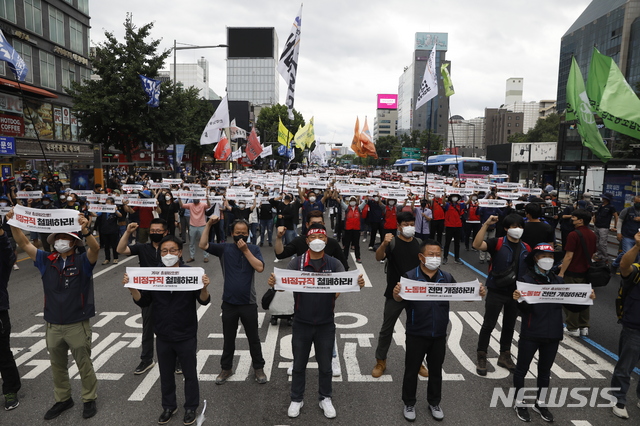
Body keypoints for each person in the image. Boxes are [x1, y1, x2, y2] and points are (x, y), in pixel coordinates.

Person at [267, 224, 365, 419]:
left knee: (326, 365)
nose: (317, 240)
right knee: (299, 365)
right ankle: (296, 398)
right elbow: (281, 286)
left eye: (321, 236)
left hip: (326, 323)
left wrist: (357, 285)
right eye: (313, 237)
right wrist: (274, 283)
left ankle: (325, 397)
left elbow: (346, 284)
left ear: (326, 240)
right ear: (307, 241)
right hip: (301, 322)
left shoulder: (334, 263)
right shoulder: (297, 263)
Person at [8, 211, 99, 420]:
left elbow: (95, 248)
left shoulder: (83, 261)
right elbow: (23, 242)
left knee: (84, 363)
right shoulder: (45, 260)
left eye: (65, 237)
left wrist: (86, 230)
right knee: (57, 366)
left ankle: (89, 398)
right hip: (52, 325)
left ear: (74, 242)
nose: (60, 241)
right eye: (57, 237)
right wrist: (14, 223)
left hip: (77, 323)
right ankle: (63, 399)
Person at [394, 239, 485, 422]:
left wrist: (478, 293)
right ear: (421, 256)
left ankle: (434, 402)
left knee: (436, 370)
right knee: (411, 370)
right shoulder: (410, 277)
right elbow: (398, 300)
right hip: (416, 333)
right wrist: (397, 293)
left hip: (439, 334)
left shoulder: (447, 277)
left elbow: (461, 295)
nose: (435, 258)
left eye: (438, 254)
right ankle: (409, 402)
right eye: (431, 254)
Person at [123, 236, 210, 426]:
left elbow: (203, 300)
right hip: (162, 333)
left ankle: (190, 407)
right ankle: (169, 406)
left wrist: (204, 288)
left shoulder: (192, 273)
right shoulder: (154, 274)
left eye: (172, 250)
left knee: (189, 373)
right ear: (159, 253)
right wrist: (132, 289)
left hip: (185, 333)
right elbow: (144, 301)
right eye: (164, 251)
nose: (168, 254)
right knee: (166, 373)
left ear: (180, 252)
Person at [512, 243, 595, 422]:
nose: (547, 260)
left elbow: (570, 305)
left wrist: (586, 299)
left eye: (550, 257)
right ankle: (519, 402)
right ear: (535, 258)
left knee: (545, 371)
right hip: (531, 332)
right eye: (543, 256)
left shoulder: (558, 281)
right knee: (521, 370)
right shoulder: (526, 280)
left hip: (553, 334)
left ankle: (540, 403)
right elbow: (523, 309)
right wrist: (519, 300)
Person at [199, 218, 267, 385]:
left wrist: (245, 251)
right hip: (229, 302)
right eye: (237, 233)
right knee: (228, 338)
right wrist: (208, 225)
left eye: (244, 233)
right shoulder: (224, 248)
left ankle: (258, 368)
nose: (241, 236)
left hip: (248, 302)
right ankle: (226, 367)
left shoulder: (253, 248)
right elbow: (203, 245)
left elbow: (259, 267)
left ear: (249, 233)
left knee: (253, 338)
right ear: (232, 234)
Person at [372, 211, 429, 378]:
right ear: (398, 227)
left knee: (417, 329)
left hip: (416, 294)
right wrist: (383, 243)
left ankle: (418, 361)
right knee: (386, 329)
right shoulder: (393, 242)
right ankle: (380, 360)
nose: (409, 227)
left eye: (412, 224)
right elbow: (378, 257)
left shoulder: (419, 242)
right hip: (395, 293)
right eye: (406, 225)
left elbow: (425, 266)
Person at [473, 213, 530, 376]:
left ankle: (505, 355)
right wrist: (486, 224)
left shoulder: (527, 247)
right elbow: (477, 245)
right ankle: (481, 355)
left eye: (520, 227)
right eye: (513, 227)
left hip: (515, 294)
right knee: (488, 324)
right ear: (506, 228)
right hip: (496, 292)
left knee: (510, 326)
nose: (517, 230)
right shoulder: (496, 243)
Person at [117, 219, 170, 375]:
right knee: (147, 329)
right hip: (147, 295)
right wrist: (128, 232)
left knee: (171, 328)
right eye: (152, 231)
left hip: (168, 295)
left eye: (158, 231)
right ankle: (147, 359)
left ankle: (177, 360)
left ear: (165, 232)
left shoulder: (170, 249)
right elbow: (121, 249)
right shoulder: (143, 248)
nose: (155, 233)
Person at [611, 231, 640, 419]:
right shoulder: (637, 269)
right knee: (626, 365)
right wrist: (637, 246)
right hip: (635, 326)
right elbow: (624, 266)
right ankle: (618, 399)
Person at [558, 209, 596, 337]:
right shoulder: (592, 234)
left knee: (571, 299)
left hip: (573, 271)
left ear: (581, 220)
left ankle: (572, 327)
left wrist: (562, 271)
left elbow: (569, 256)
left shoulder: (573, 235)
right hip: (587, 272)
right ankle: (584, 326)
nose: (571, 218)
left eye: (574, 217)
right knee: (584, 298)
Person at [0, 224, 19, 410]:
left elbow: (8, 255)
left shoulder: (3, 261)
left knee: (3, 354)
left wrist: (1, 233)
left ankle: (10, 390)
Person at [179, 195, 210, 263]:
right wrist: (179, 198)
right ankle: (192, 256)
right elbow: (182, 205)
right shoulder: (190, 205)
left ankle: (206, 256)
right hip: (192, 226)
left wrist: (207, 199)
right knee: (191, 243)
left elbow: (208, 206)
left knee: (204, 242)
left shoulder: (203, 204)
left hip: (202, 226)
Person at [613, 195, 640, 269]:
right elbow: (620, 221)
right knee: (626, 252)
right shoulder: (627, 210)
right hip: (628, 236)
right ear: (634, 201)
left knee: (636, 255)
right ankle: (615, 265)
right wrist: (618, 233)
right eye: (637, 202)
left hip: (638, 237)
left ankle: (632, 269)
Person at [97, 197, 122, 265]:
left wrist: (116, 210)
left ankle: (115, 258)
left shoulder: (114, 210)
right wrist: (90, 209)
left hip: (113, 230)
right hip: (104, 230)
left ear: (112, 203)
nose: (107, 203)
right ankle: (107, 259)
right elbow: (96, 214)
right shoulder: (103, 210)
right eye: (106, 202)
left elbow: (120, 215)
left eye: (109, 202)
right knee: (106, 245)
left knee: (114, 245)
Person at [592, 192, 617, 262]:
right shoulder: (600, 205)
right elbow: (597, 213)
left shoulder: (611, 207)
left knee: (602, 243)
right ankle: (599, 255)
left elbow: (616, 216)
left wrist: (615, 226)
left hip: (604, 227)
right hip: (597, 225)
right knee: (596, 242)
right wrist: (594, 218)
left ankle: (605, 257)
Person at [341, 196, 366, 263]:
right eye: (351, 200)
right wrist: (340, 196)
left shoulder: (359, 208)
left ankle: (358, 257)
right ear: (349, 202)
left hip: (356, 229)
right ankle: (345, 258)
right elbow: (341, 202)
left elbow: (365, 202)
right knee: (347, 244)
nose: (352, 202)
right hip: (348, 229)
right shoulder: (347, 208)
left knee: (356, 244)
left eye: (354, 200)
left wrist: (367, 195)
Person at [442, 194, 465, 265]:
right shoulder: (448, 205)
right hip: (449, 226)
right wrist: (444, 196)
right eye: (453, 197)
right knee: (447, 243)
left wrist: (470, 196)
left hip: (458, 226)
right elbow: (443, 203)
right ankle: (445, 257)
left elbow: (466, 204)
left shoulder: (460, 205)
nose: (454, 198)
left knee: (457, 243)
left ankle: (457, 258)